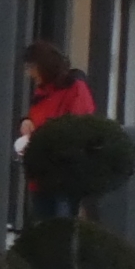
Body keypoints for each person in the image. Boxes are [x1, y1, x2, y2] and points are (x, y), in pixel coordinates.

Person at [18, 40, 97, 221]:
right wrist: (26, 122)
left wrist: (42, 139)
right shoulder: (43, 91)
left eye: (31, 67)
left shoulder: (74, 88)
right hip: (40, 172)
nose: (29, 73)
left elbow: (77, 127)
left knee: (60, 224)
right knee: (43, 226)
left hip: (63, 173)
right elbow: (37, 117)